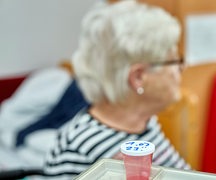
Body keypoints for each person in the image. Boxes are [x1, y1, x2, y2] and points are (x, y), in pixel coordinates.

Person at [42, 0, 190, 179]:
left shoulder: (146, 122)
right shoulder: (78, 147)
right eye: (174, 61)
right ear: (138, 77)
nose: (182, 68)